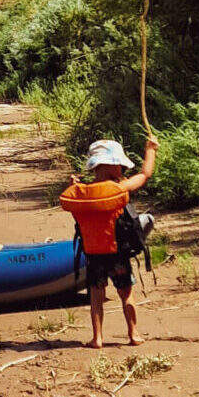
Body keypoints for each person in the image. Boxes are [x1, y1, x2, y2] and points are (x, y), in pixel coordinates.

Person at [59, 136, 157, 349]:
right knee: (127, 296)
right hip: (118, 255)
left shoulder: (80, 194)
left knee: (96, 298)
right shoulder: (120, 189)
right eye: (120, 165)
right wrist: (150, 151)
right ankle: (134, 334)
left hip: (94, 256)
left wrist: (72, 185)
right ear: (112, 166)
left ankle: (97, 338)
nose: (122, 169)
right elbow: (144, 174)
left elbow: (75, 210)